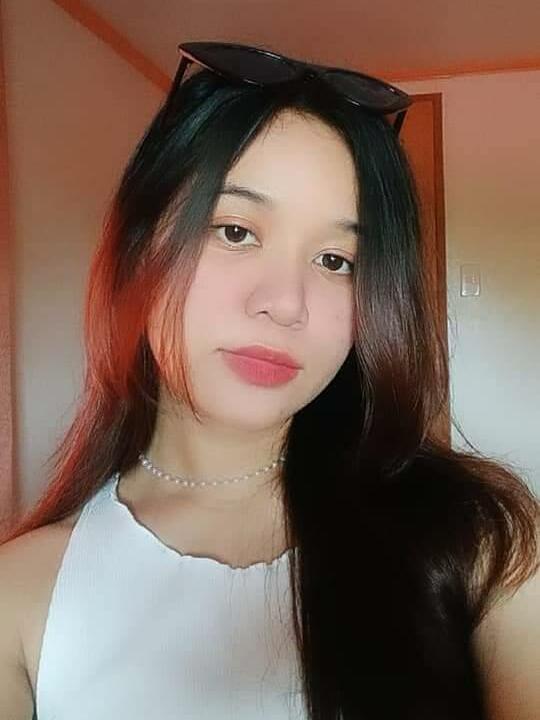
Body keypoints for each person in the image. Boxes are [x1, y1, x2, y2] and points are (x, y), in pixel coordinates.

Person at [0, 41, 538, 720]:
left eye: (336, 259)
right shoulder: (22, 597)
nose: (286, 303)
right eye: (235, 231)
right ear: (139, 249)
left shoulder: (481, 541)